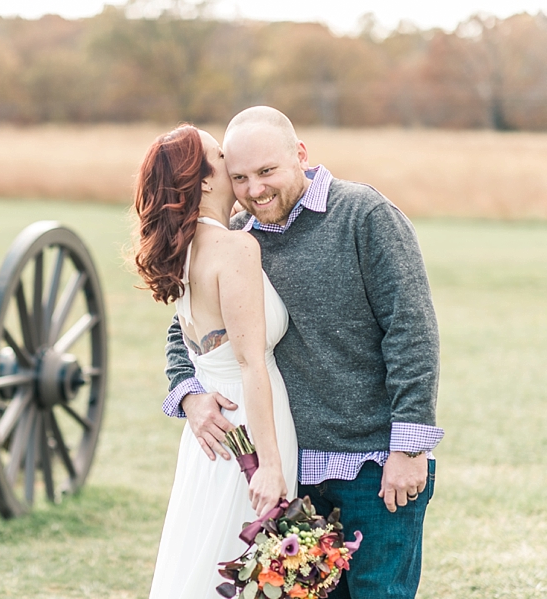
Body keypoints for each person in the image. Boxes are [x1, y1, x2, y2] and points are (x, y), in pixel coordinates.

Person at [163, 106, 442, 599]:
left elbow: (411, 331)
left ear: (301, 155)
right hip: (295, 471)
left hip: (375, 465)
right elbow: (187, 329)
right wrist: (190, 394)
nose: (254, 190)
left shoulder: (364, 215)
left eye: (267, 172)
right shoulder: (238, 237)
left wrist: (409, 446)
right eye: (240, 178)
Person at [133, 124, 298, 598]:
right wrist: (269, 465)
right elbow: (251, 364)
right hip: (251, 427)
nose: (232, 161)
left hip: (211, 435)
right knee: (244, 566)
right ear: (205, 179)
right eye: (221, 155)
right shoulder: (235, 247)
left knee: (211, 557)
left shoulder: (183, 250)